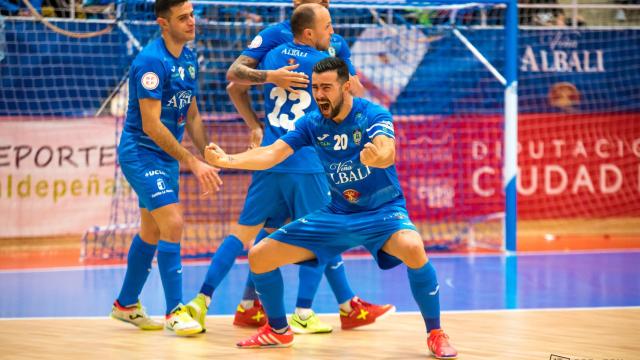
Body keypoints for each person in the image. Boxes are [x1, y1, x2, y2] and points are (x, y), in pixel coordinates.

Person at [204, 56, 458, 359]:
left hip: (382, 214)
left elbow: (387, 151)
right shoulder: (312, 123)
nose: (320, 95)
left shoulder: (373, 114)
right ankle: (279, 331)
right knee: (259, 256)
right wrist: (228, 160)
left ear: (346, 86)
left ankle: (435, 332)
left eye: (326, 87)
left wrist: (377, 158)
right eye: (315, 88)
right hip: (337, 214)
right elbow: (273, 153)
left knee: (414, 247)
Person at [186, 2, 392, 335]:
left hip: (270, 156)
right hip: (308, 161)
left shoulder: (277, 52)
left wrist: (257, 118)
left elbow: (234, 85)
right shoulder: (322, 62)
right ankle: (304, 311)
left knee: (250, 234)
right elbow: (352, 100)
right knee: (323, 237)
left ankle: (212, 303)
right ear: (308, 25)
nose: (332, 27)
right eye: (326, 22)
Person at [109, 0, 222, 336]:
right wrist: (191, 161)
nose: (191, 22)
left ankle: (126, 305)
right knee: (173, 222)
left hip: (165, 158)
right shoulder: (150, 61)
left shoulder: (188, 57)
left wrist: (207, 151)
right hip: (142, 153)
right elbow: (151, 125)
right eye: (183, 18)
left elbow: (193, 114)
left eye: (192, 16)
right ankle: (175, 312)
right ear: (163, 23)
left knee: (152, 230)